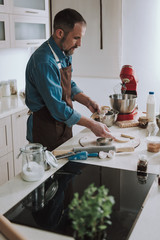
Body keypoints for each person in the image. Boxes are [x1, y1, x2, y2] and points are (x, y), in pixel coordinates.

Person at [25, 8, 115, 151]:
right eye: (76, 38)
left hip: (62, 127)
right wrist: (91, 124)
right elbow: (58, 108)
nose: (79, 44)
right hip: (44, 131)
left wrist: (86, 100)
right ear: (60, 33)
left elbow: (68, 85)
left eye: (81, 38)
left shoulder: (64, 52)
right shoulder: (44, 62)